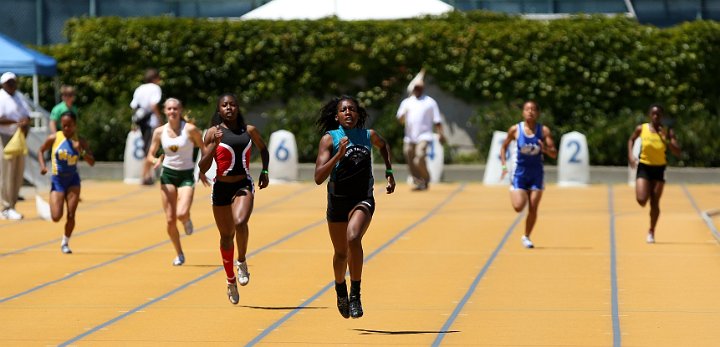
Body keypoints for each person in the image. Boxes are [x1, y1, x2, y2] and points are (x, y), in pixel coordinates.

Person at [314, 95, 396, 319]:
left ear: (358, 114)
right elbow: (318, 177)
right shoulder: (329, 140)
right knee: (340, 254)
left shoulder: (368, 136)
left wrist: (389, 172)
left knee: (353, 237)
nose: (348, 112)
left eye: (352, 109)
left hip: (363, 198)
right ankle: (340, 288)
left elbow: (384, 146)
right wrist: (338, 155)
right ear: (337, 116)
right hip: (337, 200)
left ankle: (355, 294)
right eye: (344, 110)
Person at [198, 93, 269, 305]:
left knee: (240, 222)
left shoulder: (249, 131)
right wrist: (214, 144)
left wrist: (264, 171)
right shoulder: (212, 132)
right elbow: (202, 166)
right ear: (219, 110)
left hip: (243, 184)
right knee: (226, 236)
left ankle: (242, 260)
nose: (229, 108)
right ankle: (230, 281)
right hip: (221, 186)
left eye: (233, 105)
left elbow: (263, 149)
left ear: (238, 108)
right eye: (224, 105)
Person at [146, 98, 208, 266]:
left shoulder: (190, 130)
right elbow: (150, 154)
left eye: (175, 108)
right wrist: (154, 161)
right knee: (170, 219)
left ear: (180, 110)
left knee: (181, 213)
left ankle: (186, 219)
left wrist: (202, 170)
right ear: (165, 111)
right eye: (169, 109)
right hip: (168, 175)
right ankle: (179, 253)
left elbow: (204, 149)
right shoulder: (159, 131)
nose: (172, 111)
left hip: (186, 175)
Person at [500, 100, 557, 249]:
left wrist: (545, 150)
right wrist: (504, 165)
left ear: (538, 113)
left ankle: (526, 236)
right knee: (519, 207)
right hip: (520, 173)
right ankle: (516, 189)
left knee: (533, 207)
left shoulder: (543, 131)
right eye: (527, 109)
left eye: (533, 109)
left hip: (536, 174)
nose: (530, 112)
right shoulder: (515, 130)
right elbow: (504, 147)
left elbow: (554, 153)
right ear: (523, 112)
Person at [37, 111, 95, 254]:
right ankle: (50, 204)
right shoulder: (54, 138)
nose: (67, 129)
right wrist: (43, 166)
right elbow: (41, 150)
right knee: (56, 217)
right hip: (58, 179)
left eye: (69, 126)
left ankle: (65, 242)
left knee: (71, 214)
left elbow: (92, 162)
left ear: (75, 125)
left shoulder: (80, 141)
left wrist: (80, 151)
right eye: (64, 126)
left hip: (73, 180)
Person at [627, 104, 681, 244]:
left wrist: (666, 139)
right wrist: (631, 156)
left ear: (662, 116)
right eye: (653, 114)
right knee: (641, 200)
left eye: (658, 114)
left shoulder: (667, 131)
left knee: (655, 202)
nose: (656, 116)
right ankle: (647, 191)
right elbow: (631, 139)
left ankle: (651, 230)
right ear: (649, 115)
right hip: (644, 166)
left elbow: (677, 151)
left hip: (659, 169)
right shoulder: (642, 128)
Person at [396, 79, 445, 191]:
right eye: (416, 87)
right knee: (409, 157)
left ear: (423, 88)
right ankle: (418, 181)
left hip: (424, 136)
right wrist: (403, 115)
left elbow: (437, 120)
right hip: (409, 137)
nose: (417, 90)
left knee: (419, 157)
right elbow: (400, 119)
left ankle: (426, 178)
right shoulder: (406, 102)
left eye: (419, 88)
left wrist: (440, 133)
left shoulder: (430, 102)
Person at [0, 72, 30, 220]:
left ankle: (12, 205)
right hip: (4, 138)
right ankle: (5, 206)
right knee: (6, 173)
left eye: (13, 82)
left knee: (17, 173)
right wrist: (14, 122)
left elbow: (27, 115)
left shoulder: (19, 97)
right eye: (9, 82)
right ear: (3, 84)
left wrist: (24, 123)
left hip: (18, 138)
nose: (12, 85)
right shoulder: (1, 97)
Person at [130, 68, 162, 185]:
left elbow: (134, 106)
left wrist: (133, 123)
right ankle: (144, 176)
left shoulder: (139, 89)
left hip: (141, 122)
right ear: (155, 78)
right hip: (151, 122)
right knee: (151, 148)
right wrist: (159, 119)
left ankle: (148, 175)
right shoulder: (155, 88)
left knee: (147, 148)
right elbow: (153, 105)